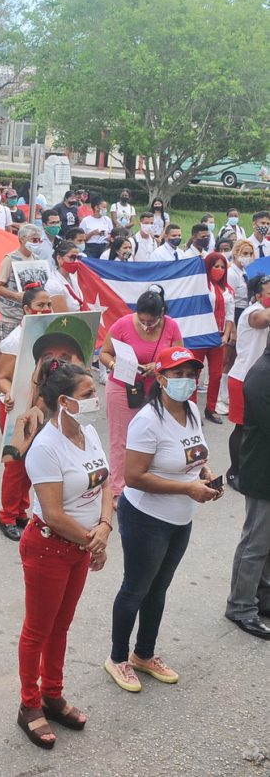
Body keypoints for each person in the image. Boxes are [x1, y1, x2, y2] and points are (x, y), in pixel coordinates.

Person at [105, 346, 222, 693]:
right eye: (177, 374)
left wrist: (206, 473)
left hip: (180, 520)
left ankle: (144, 653)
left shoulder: (191, 410)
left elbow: (196, 453)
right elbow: (134, 476)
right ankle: (117, 658)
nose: (185, 381)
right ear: (160, 378)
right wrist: (187, 489)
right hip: (146, 518)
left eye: (190, 374)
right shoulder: (147, 420)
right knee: (135, 589)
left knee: (159, 588)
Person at [17, 360, 111, 748]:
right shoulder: (45, 447)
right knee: (38, 630)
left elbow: (105, 481)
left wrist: (104, 527)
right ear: (64, 401)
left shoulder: (88, 432)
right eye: (88, 394)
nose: (96, 399)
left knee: (62, 626)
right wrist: (93, 539)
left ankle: (53, 694)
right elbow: (53, 513)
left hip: (81, 547)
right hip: (48, 549)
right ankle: (29, 705)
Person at [99, 287, 183, 504]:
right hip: (122, 386)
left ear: (161, 314)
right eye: (142, 320)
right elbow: (104, 353)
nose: (146, 326)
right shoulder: (123, 324)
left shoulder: (172, 326)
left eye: (151, 322)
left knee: (153, 438)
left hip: (156, 388)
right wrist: (116, 364)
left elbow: (178, 358)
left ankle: (146, 481)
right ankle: (119, 490)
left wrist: (157, 366)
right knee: (122, 439)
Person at [0, 284, 53, 540]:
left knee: (31, 462)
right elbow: (3, 378)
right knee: (15, 464)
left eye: (48, 304)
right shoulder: (14, 341)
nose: (46, 309)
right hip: (15, 408)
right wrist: (9, 395)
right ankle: (7, 516)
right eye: (41, 305)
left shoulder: (48, 336)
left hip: (40, 408)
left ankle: (21, 510)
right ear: (26, 309)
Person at [225, 338, 270, 639]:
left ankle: (262, 596)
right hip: (262, 472)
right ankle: (240, 606)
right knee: (255, 542)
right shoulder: (262, 376)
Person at [226, 275, 270, 490]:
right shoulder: (252, 313)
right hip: (244, 379)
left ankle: (250, 467)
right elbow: (262, 320)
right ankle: (235, 471)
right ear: (257, 295)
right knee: (241, 427)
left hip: (262, 379)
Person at [191, 252, 235, 424]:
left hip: (218, 336)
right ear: (208, 267)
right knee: (194, 373)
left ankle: (211, 408)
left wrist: (226, 334)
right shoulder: (201, 286)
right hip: (200, 334)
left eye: (223, 267)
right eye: (215, 266)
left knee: (216, 374)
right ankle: (192, 409)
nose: (219, 270)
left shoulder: (228, 291)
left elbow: (230, 316)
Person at [0, 224, 44, 349]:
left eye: (39, 240)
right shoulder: (10, 259)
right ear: (22, 239)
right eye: (34, 239)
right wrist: (15, 296)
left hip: (30, 318)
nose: (37, 243)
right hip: (10, 318)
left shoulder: (37, 259)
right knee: (6, 353)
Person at [47, 242, 88, 313]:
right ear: (59, 258)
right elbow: (63, 318)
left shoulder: (73, 277)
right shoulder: (53, 284)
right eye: (72, 257)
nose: (75, 261)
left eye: (77, 258)